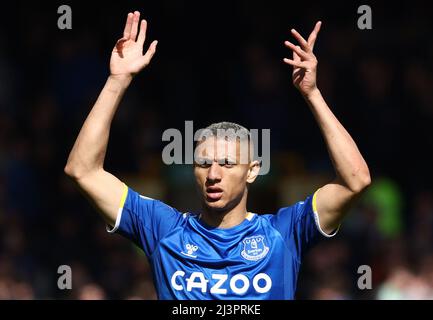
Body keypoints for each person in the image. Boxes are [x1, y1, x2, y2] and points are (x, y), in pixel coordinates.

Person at [64, 11, 371, 299]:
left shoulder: (283, 233)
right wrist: (117, 82)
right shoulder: (163, 230)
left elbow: (355, 180)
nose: (213, 174)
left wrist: (313, 95)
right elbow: (82, 171)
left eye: (226, 164)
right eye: (203, 163)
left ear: (252, 170)